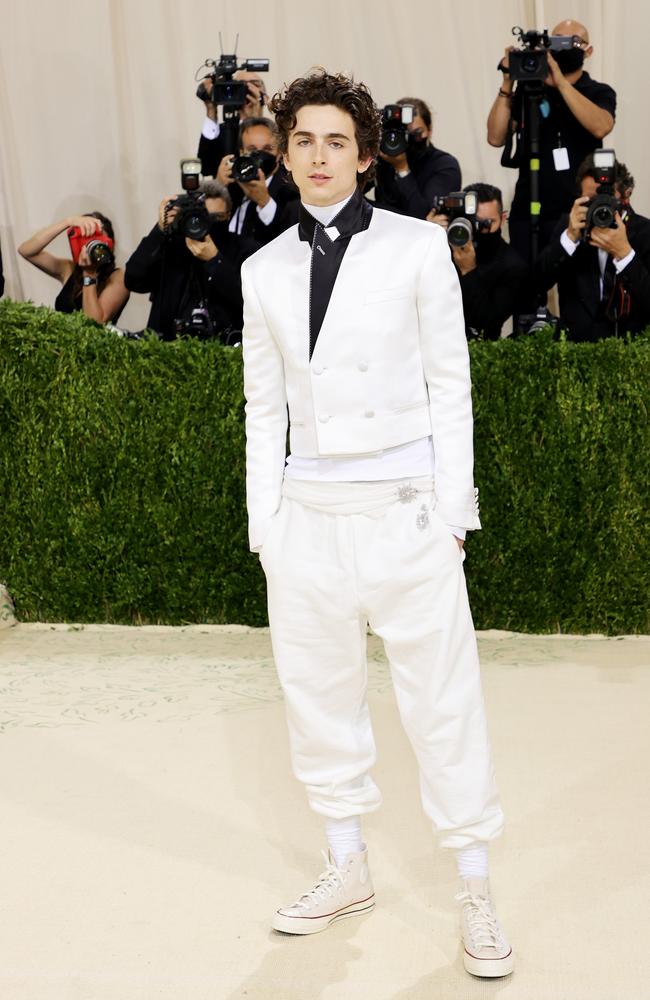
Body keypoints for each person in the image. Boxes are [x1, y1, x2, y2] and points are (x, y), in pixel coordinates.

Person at [242, 69, 513, 978]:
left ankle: (474, 885)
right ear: (285, 154)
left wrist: (451, 515)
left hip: (407, 518)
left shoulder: (414, 249)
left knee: (443, 705)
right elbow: (261, 410)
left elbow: (452, 385)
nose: (319, 158)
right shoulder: (261, 269)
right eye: (303, 142)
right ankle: (346, 864)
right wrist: (266, 531)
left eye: (336, 142)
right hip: (307, 523)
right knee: (319, 700)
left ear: (362, 155)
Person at [487, 19, 616, 262]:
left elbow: (601, 126)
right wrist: (508, 82)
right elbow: (495, 137)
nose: (563, 47)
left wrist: (560, 82)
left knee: (576, 292)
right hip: (529, 207)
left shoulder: (598, 91)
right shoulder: (530, 90)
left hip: (577, 208)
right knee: (525, 287)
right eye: (556, 41)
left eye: (573, 41)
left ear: (588, 51)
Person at [535, 155, 650, 340]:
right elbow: (535, 284)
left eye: (606, 198)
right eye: (591, 200)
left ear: (625, 195)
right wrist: (569, 239)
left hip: (630, 353)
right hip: (575, 350)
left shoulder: (645, 232)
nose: (600, 207)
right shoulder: (569, 226)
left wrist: (625, 254)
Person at [124, 179, 257, 341]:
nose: (209, 225)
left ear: (229, 215)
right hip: (167, 348)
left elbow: (252, 302)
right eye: (203, 217)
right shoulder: (172, 246)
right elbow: (133, 279)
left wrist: (215, 261)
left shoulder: (244, 248)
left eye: (217, 218)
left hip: (225, 349)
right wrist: (160, 230)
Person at [428, 183, 528, 339]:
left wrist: (469, 272)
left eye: (487, 224)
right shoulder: (442, 244)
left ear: (502, 219)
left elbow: (487, 322)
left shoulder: (512, 266)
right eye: (473, 221)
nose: (479, 229)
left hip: (480, 351)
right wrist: (428, 235)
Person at [17, 212, 129, 323]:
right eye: (87, 239)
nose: (93, 247)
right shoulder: (69, 269)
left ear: (110, 244)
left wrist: (89, 274)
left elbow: (95, 324)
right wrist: (68, 222)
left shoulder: (117, 278)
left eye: (97, 240)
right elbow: (26, 251)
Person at [214, 117, 299, 245]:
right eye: (252, 150)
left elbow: (289, 240)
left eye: (267, 149)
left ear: (279, 154)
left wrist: (264, 201)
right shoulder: (232, 182)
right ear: (241, 152)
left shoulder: (291, 191)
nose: (259, 156)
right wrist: (218, 188)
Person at [373, 97, 461, 219]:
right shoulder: (384, 158)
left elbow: (424, 217)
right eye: (404, 133)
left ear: (429, 130)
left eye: (416, 133)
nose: (410, 139)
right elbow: (351, 193)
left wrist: (402, 169)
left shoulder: (444, 164)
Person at [197, 70, 269, 178]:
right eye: (241, 85)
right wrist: (211, 109)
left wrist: (254, 120)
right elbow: (206, 168)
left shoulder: (275, 133)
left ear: (266, 98)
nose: (247, 90)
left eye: (254, 84)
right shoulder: (222, 132)